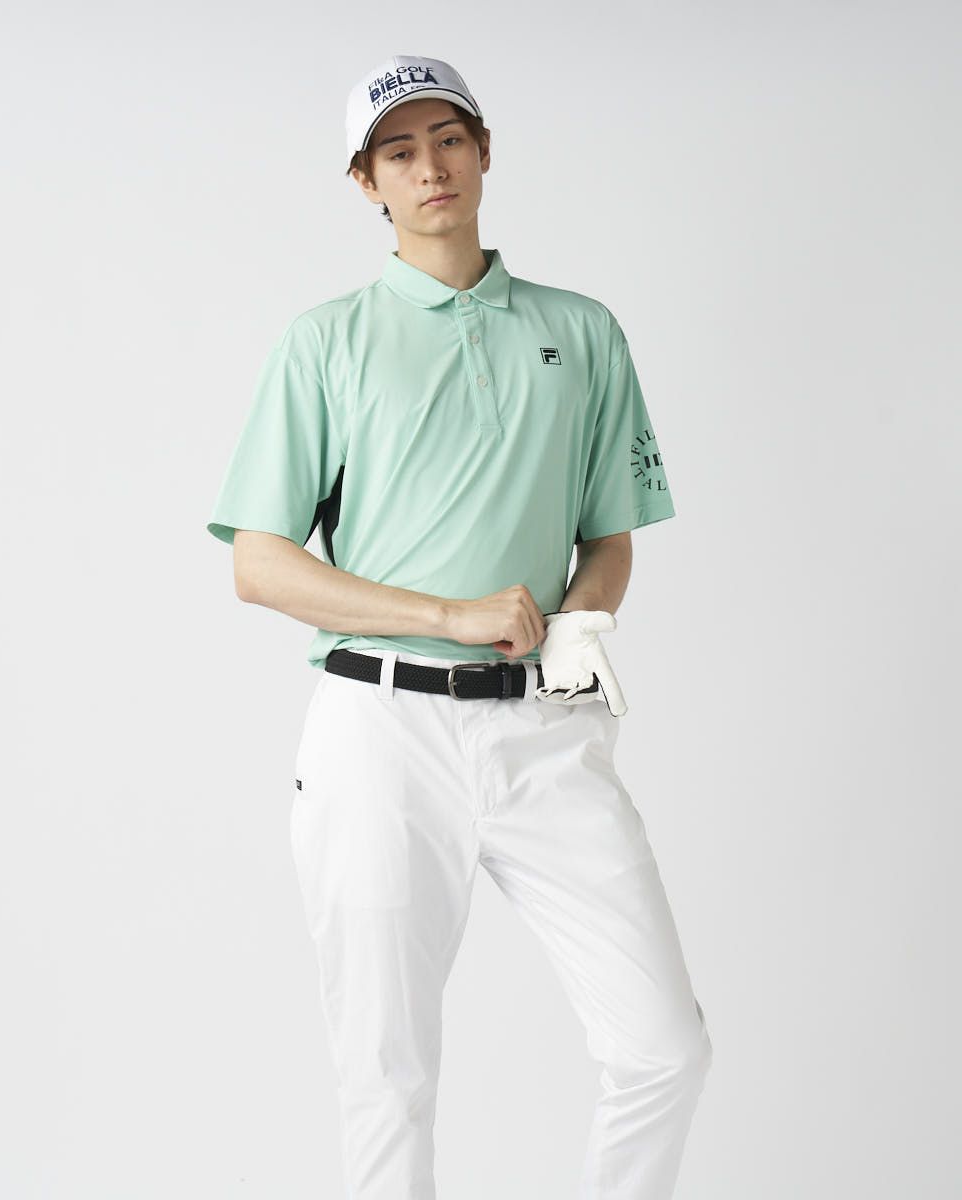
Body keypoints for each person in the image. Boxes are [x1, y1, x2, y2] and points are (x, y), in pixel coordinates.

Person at [206, 52, 712, 1200]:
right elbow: (258, 564)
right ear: (366, 182)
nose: (429, 166)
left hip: (544, 732)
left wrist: (577, 624)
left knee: (663, 1050)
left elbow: (609, 533)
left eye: (448, 139)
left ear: (483, 151)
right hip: (379, 733)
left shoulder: (581, 330)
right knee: (386, 1075)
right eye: (398, 151)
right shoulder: (325, 342)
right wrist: (449, 614)